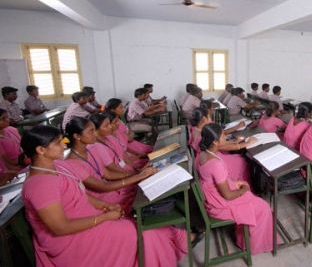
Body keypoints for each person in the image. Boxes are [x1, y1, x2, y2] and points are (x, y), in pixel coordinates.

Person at [20, 125, 187, 266]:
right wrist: (104, 218)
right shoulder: (39, 185)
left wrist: (104, 206)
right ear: (41, 150)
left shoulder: (57, 166)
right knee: (145, 232)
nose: (64, 146)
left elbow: (80, 193)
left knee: (145, 227)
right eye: (57, 143)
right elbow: (60, 227)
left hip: (88, 218)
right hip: (72, 237)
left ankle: (177, 243)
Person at [197, 123, 273, 254]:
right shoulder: (215, 164)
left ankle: (243, 238)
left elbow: (215, 181)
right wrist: (244, 189)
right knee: (263, 207)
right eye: (223, 136)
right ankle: (253, 245)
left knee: (252, 197)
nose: (225, 137)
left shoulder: (202, 154)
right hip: (219, 204)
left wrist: (235, 183)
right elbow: (228, 196)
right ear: (215, 142)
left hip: (213, 195)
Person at [63, 117, 157, 213]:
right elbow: (103, 186)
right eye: (91, 131)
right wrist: (139, 176)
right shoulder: (72, 162)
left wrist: (137, 173)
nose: (95, 134)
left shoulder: (90, 150)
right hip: (102, 200)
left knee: (149, 188)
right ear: (77, 136)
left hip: (112, 190)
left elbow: (108, 174)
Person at [189, 108, 253, 182]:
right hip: (214, 158)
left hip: (207, 156)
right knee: (241, 161)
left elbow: (219, 144)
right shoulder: (205, 133)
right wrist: (246, 143)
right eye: (209, 116)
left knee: (238, 157)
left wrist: (235, 141)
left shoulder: (196, 130)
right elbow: (221, 145)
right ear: (204, 118)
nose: (211, 118)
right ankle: (244, 183)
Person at [0, 109, 22, 182]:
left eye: (7, 117)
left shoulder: (12, 129)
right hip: (14, 168)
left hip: (23, 160)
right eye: (3, 119)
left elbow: (23, 145)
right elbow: (8, 162)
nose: (7, 120)